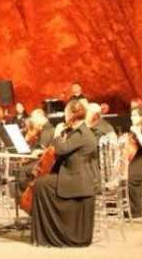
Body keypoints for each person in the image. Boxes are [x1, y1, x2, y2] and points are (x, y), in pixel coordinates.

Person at [30, 99, 98, 247]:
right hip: (72, 174)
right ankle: (46, 232)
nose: (64, 117)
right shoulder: (78, 131)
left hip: (77, 179)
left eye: (66, 113)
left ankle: (49, 233)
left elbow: (61, 149)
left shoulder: (81, 133)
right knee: (42, 182)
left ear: (71, 115)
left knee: (41, 184)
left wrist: (57, 133)